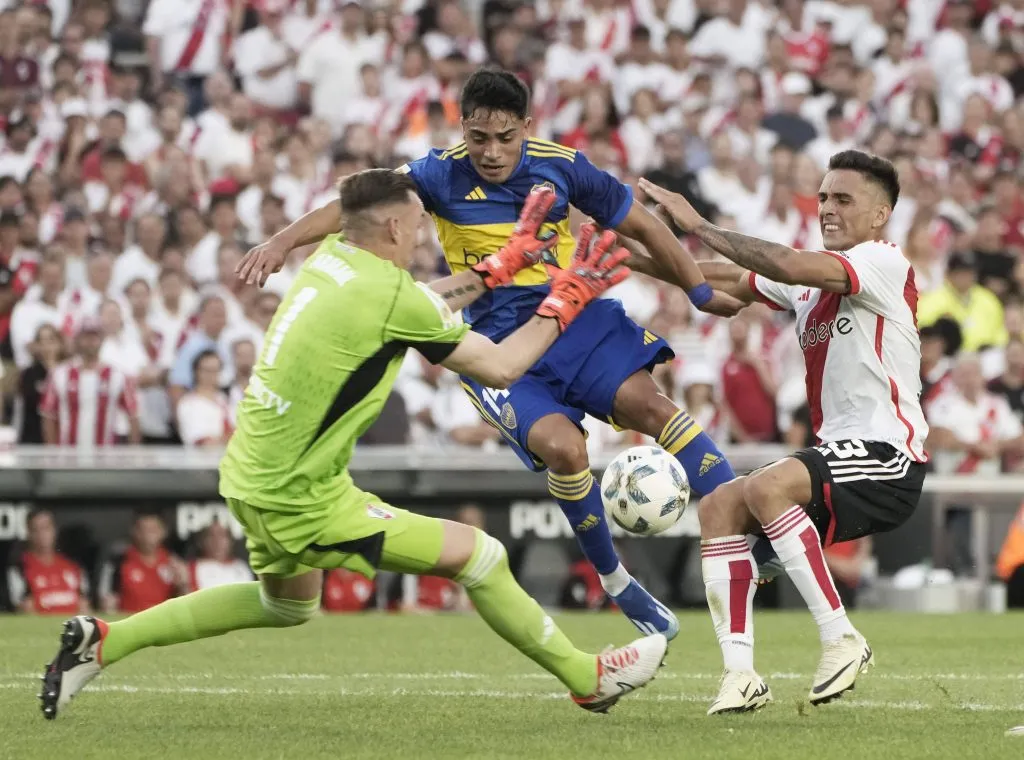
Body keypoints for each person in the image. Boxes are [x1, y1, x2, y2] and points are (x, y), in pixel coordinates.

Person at [39, 172, 667, 720]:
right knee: (480, 556)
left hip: (254, 471)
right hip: (298, 496)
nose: (423, 236)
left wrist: (493, 271)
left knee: (286, 605)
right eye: (419, 226)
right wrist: (568, 298)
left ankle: (103, 642)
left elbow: (421, 303)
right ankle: (588, 680)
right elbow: (503, 367)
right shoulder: (388, 294)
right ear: (394, 229)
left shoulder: (335, 257)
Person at [236, 68, 747, 640]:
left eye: (506, 138)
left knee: (650, 406)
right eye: (479, 138)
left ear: (527, 127)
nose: (492, 152)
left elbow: (644, 227)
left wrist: (698, 290)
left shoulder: (565, 165)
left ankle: (750, 528)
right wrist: (281, 241)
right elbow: (357, 203)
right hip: (495, 340)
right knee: (564, 449)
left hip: (573, 314)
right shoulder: (437, 171)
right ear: (464, 127)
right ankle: (618, 583)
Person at [638, 149, 928, 713]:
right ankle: (740, 675)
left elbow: (791, 264)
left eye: (843, 199)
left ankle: (841, 636)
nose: (826, 208)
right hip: (840, 455)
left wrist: (696, 224)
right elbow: (719, 282)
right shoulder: (809, 282)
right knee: (720, 505)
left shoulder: (881, 262)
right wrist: (633, 249)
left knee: (766, 487)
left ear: (879, 215)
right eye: (822, 197)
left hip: (889, 456)